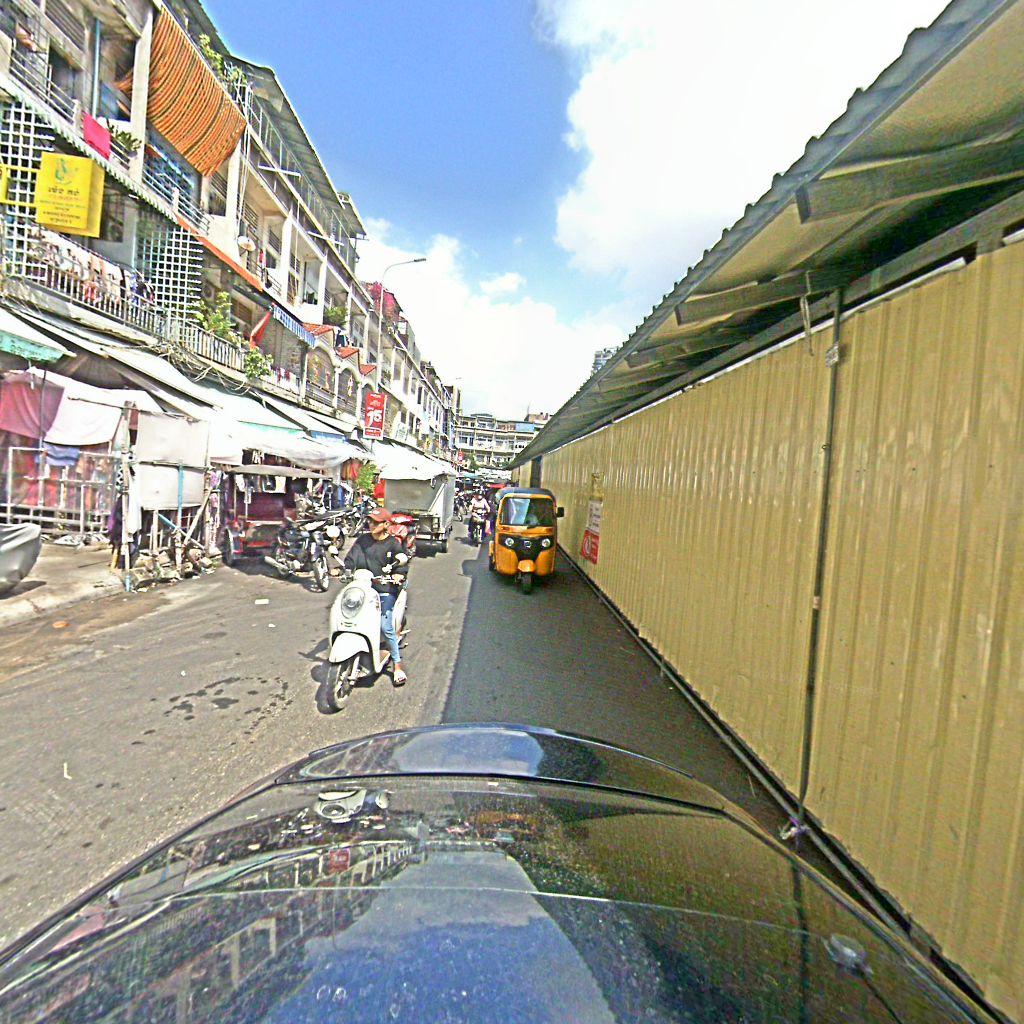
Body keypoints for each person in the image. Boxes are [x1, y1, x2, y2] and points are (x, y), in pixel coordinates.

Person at [343, 508, 411, 684]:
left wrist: (398, 574)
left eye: (376, 522)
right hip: (363, 588)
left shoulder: (393, 544)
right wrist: (343, 569)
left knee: (385, 626)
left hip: (384, 590)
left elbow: (402, 564)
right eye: (370, 521)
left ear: (386, 524)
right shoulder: (363, 540)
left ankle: (397, 665)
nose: (371, 524)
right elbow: (351, 559)